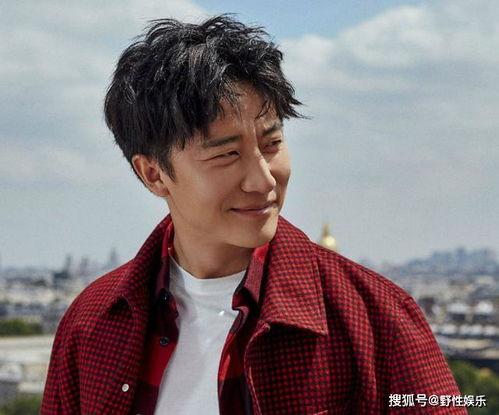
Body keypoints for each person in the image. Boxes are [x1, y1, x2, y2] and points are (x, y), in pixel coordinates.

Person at [41, 14, 466, 415]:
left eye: (272, 144)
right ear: (154, 174)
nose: (263, 180)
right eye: (227, 154)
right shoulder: (91, 326)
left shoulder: (376, 318)